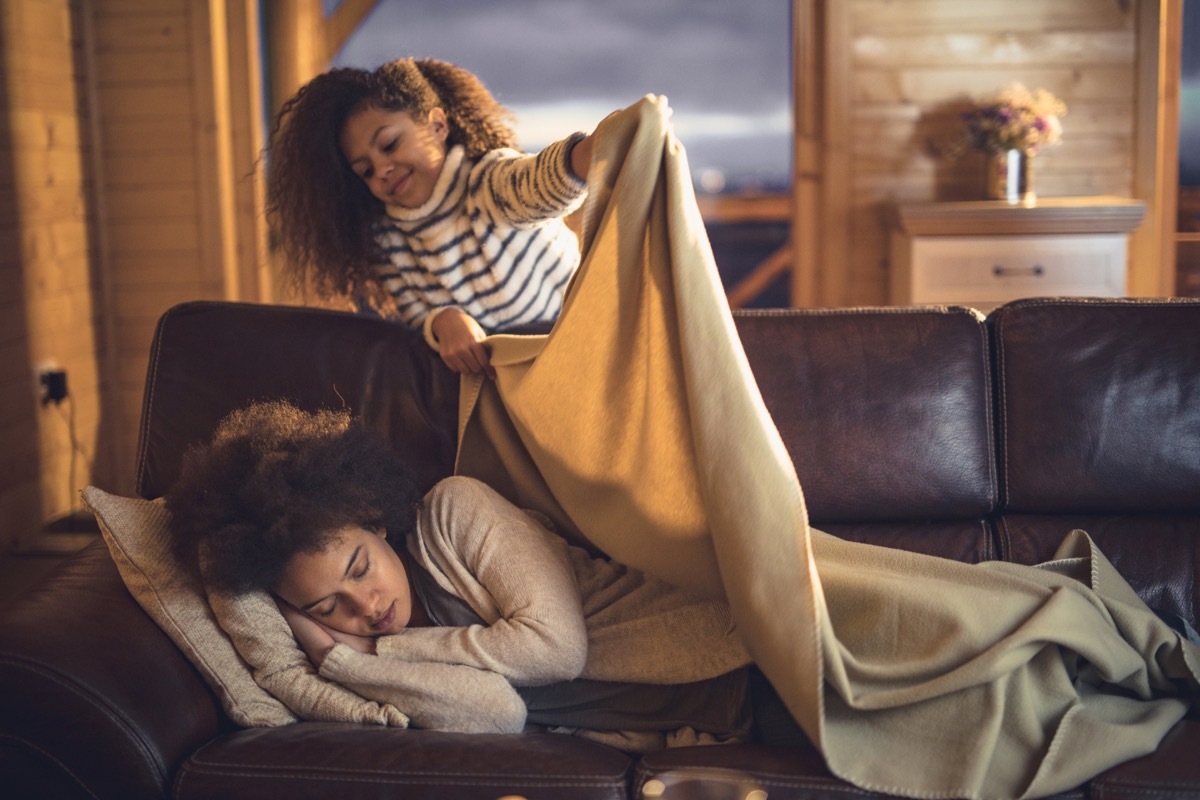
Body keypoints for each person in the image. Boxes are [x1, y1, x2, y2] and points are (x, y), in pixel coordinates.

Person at [166, 400, 800, 748]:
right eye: (329, 607)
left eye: (359, 568)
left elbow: (555, 650)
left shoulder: (455, 511)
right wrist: (343, 662)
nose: (366, 606)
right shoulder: (358, 655)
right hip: (717, 733)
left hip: (758, 667)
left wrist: (386, 646)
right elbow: (496, 715)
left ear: (374, 519)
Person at [266, 57, 597, 378]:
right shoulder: (386, 240)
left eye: (390, 144)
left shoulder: (486, 182)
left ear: (437, 125)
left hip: (580, 336)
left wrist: (592, 152)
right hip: (509, 376)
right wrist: (443, 321)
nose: (381, 170)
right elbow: (415, 313)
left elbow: (539, 182)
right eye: (365, 170)